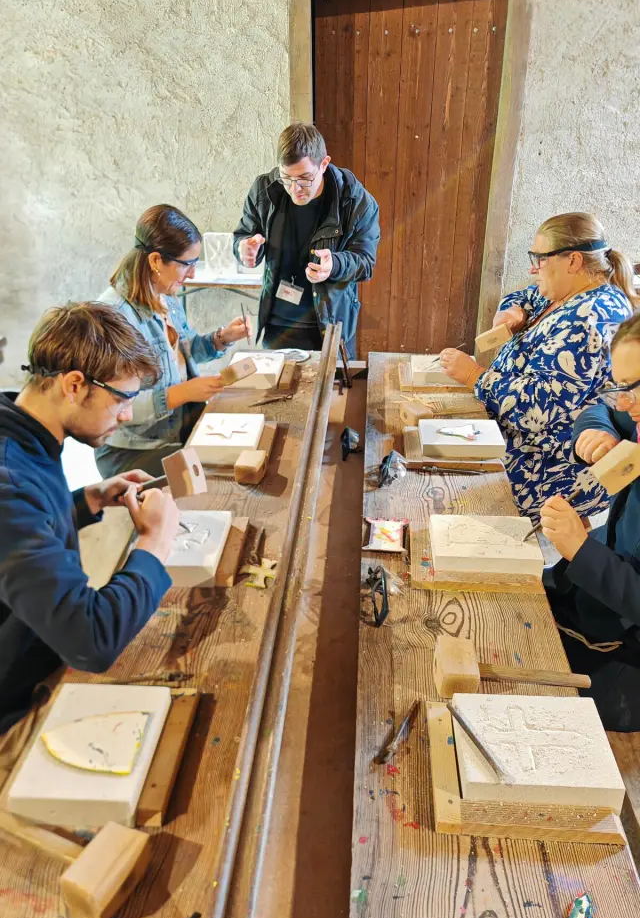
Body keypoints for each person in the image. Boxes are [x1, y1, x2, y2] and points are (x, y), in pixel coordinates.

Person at [0, 303, 180, 774]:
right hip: (11, 707)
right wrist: (154, 546)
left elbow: (25, 528)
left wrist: (88, 500)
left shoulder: (21, 433)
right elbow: (91, 640)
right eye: (122, 399)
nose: (126, 416)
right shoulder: (9, 485)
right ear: (74, 384)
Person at [439, 213, 637, 516]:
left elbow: (536, 411)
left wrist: (475, 376)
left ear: (572, 261)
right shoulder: (568, 290)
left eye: (540, 259)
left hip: (544, 463)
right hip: (510, 431)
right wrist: (512, 311)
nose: (533, 268)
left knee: (441, 491)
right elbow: (526, 294)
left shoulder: (589, 318)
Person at [96, 204, 250, 478]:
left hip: (177, 426)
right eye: (187, 264)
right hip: (134, 450)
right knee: (218, 475)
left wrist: (222, 338)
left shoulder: (165, 295)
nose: (192, 274)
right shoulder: (114, 317)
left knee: (246, 447)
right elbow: (112, 406)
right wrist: (184, 392)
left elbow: (188, 351)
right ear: (156, 261)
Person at [541, 311, 640, 732]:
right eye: (620, 385)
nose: (624, 402)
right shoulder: (634, 414)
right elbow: (598, 411)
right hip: (592, 596)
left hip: (626, 654)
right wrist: (598, 433)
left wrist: (581, 551)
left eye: (634, 388)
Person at [233, 122, 380, 359]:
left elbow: (365, 263)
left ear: (324, 164)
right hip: (276, 326)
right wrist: (245, 250)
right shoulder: (264, 190)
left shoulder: (355, 200)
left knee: (332, 395)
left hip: (329, 328)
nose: (295, 188)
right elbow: (244, 235)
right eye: (286, 178)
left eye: (304, 178)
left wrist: (335, 265)